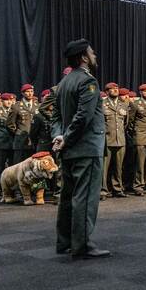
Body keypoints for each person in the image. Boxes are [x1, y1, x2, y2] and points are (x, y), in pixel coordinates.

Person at [50, 38, 109, 259]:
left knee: (67, 197)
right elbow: (83, 116)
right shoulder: (88, 82)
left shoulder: (64, 82)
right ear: (83, 57)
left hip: (69, 150)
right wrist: (66, 137)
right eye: (91, 53)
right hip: (86, 148)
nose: (95, 56)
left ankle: (64, 241)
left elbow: (55, 115)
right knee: (85, 198)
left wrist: (58, 135)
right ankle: (82, 245)